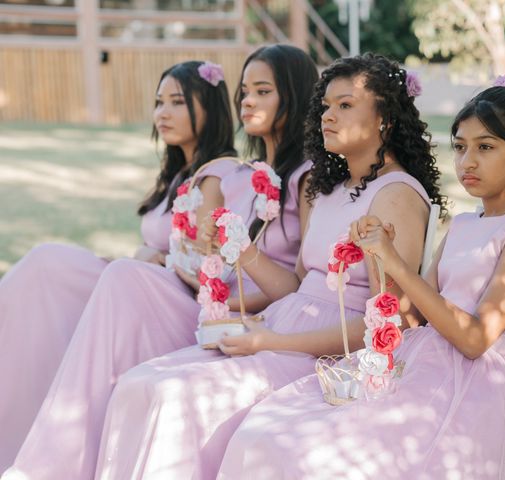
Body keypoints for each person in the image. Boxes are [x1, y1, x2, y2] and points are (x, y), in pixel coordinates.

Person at [92, 53, 445, 479]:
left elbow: (389, 325)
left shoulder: (396, 195)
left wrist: (274, 341)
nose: (327, 116)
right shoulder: (327, 189)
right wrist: (241, 250)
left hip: (327, 352)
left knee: (175, 395)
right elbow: (296, 283)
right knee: (139, 383)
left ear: (385, 119)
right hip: (280, 325)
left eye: (345, 105)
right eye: (326, 106)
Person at [218, 77, 505, 479]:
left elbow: (474, 340)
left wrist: (396, 263)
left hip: (482, 381)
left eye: (485, 147)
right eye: (460, 147)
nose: (467, 161)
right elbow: (412, 313)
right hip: (426, 357)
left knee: (327, 455)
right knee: (271, 429)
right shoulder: (468, 222)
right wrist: (371, 261)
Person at [1, 45, 318, 480]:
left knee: (124, 276)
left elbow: (297, 284)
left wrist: (217, 285)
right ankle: (54, 448)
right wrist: (204, 272)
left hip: (248, 315)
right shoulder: (244, 177)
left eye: (262, 91)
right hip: (213, 303)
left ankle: (60, 455)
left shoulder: (304, 180)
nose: (246, 101)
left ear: (295, 97)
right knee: (81, 270)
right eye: (244, 91)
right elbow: (214, 266)